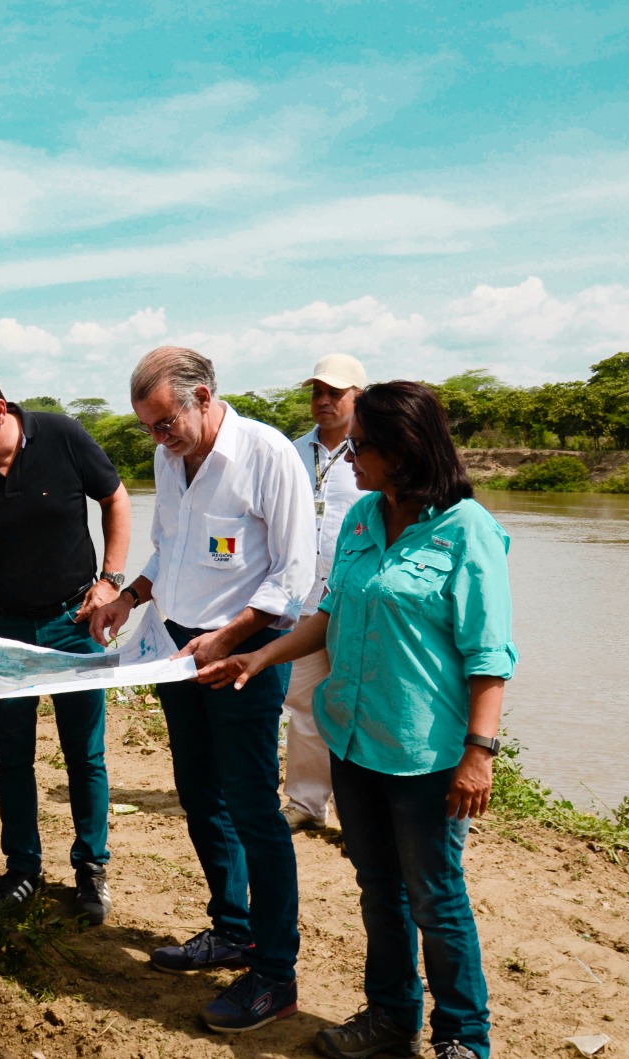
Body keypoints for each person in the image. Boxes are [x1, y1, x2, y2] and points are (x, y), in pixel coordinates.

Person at [199, 381, 517, 1059]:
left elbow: (489, 654)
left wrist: (479, 752)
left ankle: (463, 1036)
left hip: (426, 754)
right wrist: (259, 658)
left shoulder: (468, 530)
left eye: (361, 445)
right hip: (354, 741)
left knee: (435, 895)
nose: (348, 458)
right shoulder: (362, 519)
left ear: (402, 449)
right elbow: (329, 616)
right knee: (379, 889)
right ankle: (392, 1016)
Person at [88, 346, 313, 1034]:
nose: (159, 437)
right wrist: (130, 597)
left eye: (165, 422)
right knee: (200, 792)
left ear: (204, 396)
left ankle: (275, 972)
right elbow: (172, 547)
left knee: (253, 807)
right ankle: (232, 928)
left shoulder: (268, 457)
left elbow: (293, 579)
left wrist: (228, 638)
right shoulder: (169, 456)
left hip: (242, 654)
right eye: (149, 427)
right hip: (178, 651)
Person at [0, 356, 131, 925]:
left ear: (0, 409)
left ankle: (91, 869)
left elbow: (115, 498)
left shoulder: (61, 436)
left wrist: (111, 580)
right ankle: (23, 869)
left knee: (85, 753)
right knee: (12, 754)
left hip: (73, 623)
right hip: (0, 627)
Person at [282, 353, 367, 831]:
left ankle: (362, 814)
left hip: (358, 603)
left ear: (359, 396)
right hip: (304, 602)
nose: (323, 401)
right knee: (306, 704)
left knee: (363, 704)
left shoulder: (373, 454)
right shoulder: (292, 452)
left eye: (335, 392)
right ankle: (308, 802)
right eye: (317, 392)